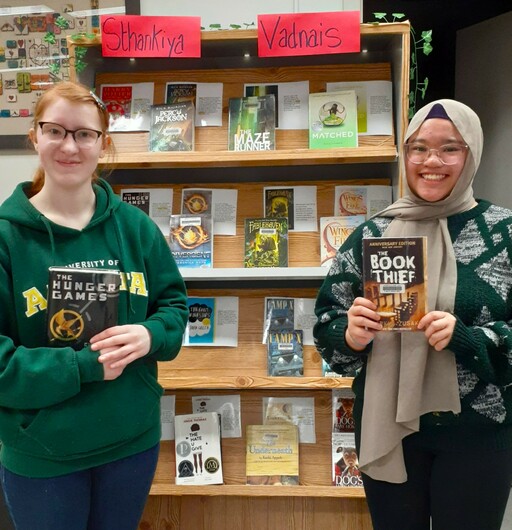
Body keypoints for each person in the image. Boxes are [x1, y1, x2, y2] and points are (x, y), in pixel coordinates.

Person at [314, 99, 512, 530]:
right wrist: (349, 335)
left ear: (472, 153)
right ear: (405, 155)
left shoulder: (504, 232)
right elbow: (326, 322)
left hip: (478, 434)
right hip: (388, 431)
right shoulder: (372, 234)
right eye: (418, 148)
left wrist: (469, 339)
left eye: (450, 148)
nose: (431, 161)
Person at [0, 81, 189, 530]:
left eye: (85, 134)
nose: (70, 146)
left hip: (131, 443)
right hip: (43, 453)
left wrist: (150, 335)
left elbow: (175, 308)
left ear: (103, 144)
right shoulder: (7, 240)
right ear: (35, 136)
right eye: (56, 131)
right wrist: (83, 367)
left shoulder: (137, 228)